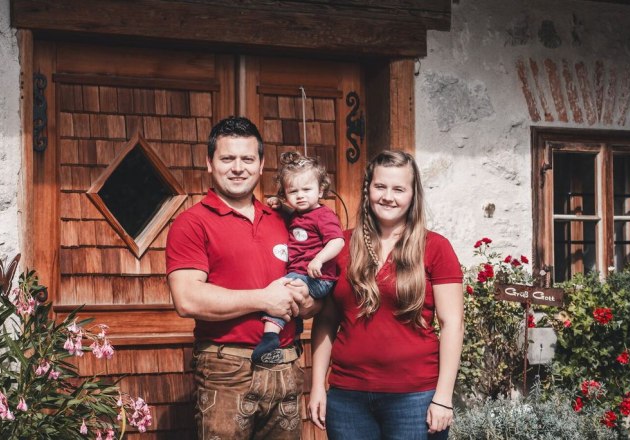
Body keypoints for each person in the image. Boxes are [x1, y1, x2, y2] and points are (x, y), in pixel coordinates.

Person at [165, 116, 321, 440]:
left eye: (247, 159)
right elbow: (187, 298)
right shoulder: (192, 223)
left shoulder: (284, 219)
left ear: (261, 165)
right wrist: (264, 299)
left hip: (287, 367)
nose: (238, 168)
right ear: (210, 163)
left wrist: (308, 301)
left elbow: (316, 287)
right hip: (227, 372)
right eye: (227, 158)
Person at [308, 150, 465, 440]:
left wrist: (443, 397)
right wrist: (317, 385)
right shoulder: (339, 246)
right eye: (380, 186)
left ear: (413, 195)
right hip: (348, 397)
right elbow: (326, 320)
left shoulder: (435, 247)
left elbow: (452, 323)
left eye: (398, 189)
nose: (388, 197)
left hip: (415, 398)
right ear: (367, 189)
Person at [252, 151, 345, 363]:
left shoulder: (324, 216)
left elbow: (337, 241)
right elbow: (295, 218)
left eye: (306, 189)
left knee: (282, 291)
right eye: (293, 191)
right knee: (291, 293)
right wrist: (281, 205)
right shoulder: (298, 214)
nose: (300, 195)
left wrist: (319, 259)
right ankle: (294, 333)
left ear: (321, 190)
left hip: (318, 277)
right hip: (301, 273)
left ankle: (269, 336)